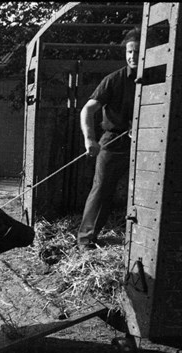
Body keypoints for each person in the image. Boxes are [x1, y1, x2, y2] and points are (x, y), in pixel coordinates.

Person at [77, 28, 141, 250]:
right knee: (102, 188)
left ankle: (141, 241)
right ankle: (86, 240)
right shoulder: (113, 80)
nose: (132, 56)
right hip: (113, 142)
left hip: (147, 144)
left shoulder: (159, 78)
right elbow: (87, 110)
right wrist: (90, 139)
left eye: (137, 52)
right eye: (129, 52)